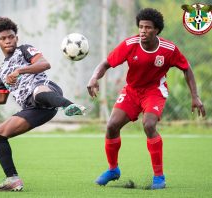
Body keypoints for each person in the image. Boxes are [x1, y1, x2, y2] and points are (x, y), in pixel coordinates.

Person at [0, 17, 86, 192]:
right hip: (33, 109)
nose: (8, 40)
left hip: (47, 92)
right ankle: (12, 179)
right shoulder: (2, 71)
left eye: (11, 37)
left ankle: (69, 106)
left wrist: (20, 70)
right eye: (3, 38)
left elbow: (45, 64)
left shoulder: (24, 50)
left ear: (16, 38)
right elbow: (1, 99)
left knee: (37, 92)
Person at [87, 8, 206, 189]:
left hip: (154, 91)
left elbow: (186, 68)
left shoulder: (169, 49)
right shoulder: (129, 44)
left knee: (149, 125)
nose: (143, 30)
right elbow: (105, 64)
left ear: (156, 30)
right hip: (132, 91)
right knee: (111, 126)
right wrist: (94, 78)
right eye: (141, 27)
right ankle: (113, 170)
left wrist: (195, 96)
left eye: (148, 27)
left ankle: (159, 177)